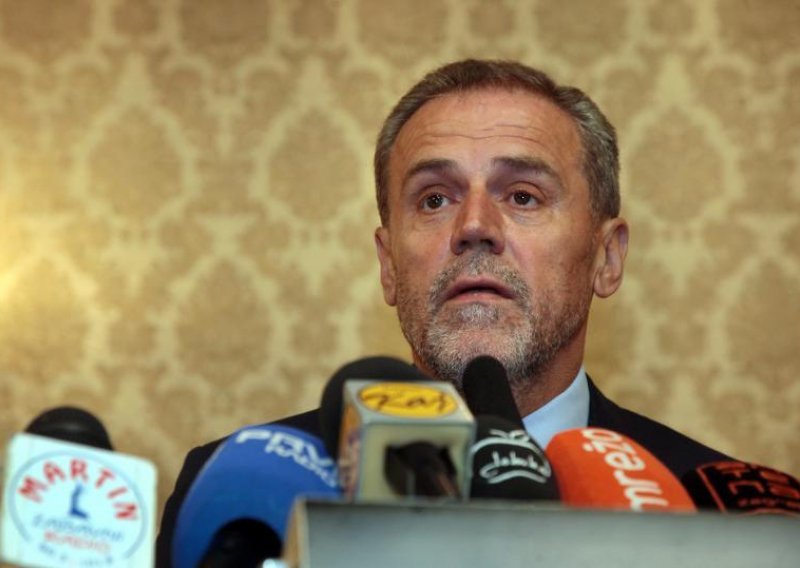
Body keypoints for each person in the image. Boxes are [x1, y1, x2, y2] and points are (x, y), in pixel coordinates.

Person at [155, 59, 730, 563]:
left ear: (607, 258)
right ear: (388, 265)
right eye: (434, 199)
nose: (474, 226)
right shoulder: (238, 508)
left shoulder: (720, 514)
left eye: (523, 196)